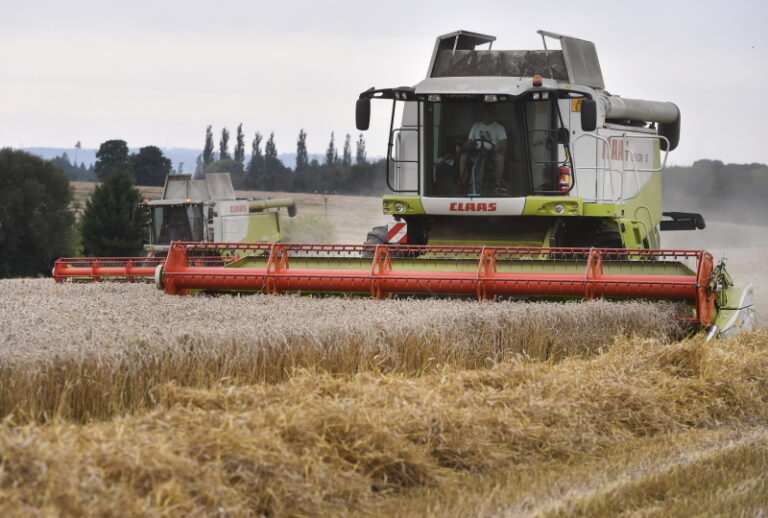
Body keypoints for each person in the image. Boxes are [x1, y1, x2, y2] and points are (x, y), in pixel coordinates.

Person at [459, 106, 508, 195]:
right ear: (483, 114)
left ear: (493, 115)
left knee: (500, 158)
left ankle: (497, 184)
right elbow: (469, 141)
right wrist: (464, 146)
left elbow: (504, 143)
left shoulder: (499, 127)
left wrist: (497, 146)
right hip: (476, 151)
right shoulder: (476, 126)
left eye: (490, 113)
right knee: (463, 156)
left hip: (492, 152)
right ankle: (464, 181)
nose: (488, 115)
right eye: (486, 113)